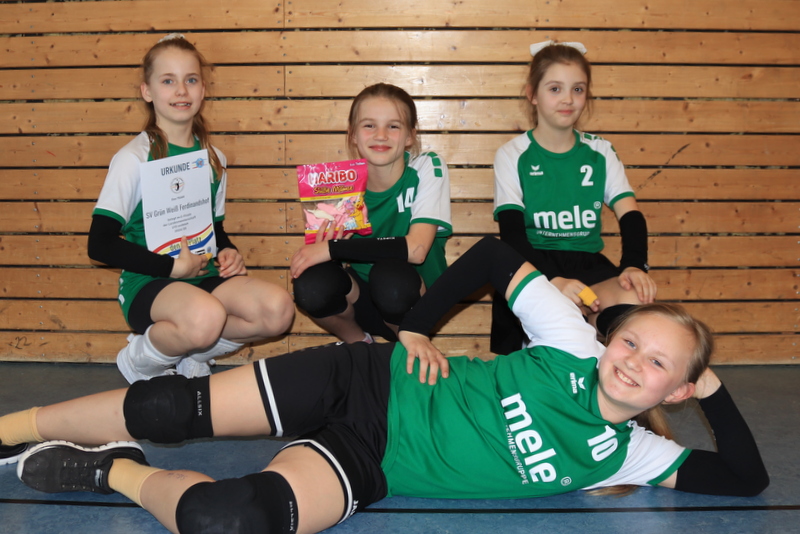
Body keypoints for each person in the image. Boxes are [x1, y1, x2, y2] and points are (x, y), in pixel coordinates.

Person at [0, 237, 767, 534]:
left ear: (678, 390)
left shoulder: (630, 455)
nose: (632, 361)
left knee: (221, 518)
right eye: (631, 341)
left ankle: (109, 470)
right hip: (366, 381)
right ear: (608, 337)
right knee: (167, 406)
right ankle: (10, 428)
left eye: (659, 364)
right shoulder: (570, 341)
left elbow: (745, 478)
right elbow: (493, 256)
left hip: (364, 462)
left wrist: (715, 390)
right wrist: (418, 327)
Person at [86, 34, 294, 383]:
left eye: (191, 80)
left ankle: (196, 353)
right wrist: (170, 267)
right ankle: (140, 359)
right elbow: (99, 244)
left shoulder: (213, 159)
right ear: (147, 91)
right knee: (206, 317)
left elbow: (213, 227)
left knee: (278, 310)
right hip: (149, 282)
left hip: (202, 275)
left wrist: (227, 250)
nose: (181, 90)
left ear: (203, 90)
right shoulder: (133, 158)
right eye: (168, 81)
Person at [492, 40, 656, 353]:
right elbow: (512, 236)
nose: (568, 99)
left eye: (577, 89)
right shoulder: (512, 154)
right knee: (560, 323)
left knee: (636, 298)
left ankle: (608, 354)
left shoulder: (600, 151)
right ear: (532, 94)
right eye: (555, 89)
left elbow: (631, 215)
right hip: (533, 265)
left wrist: (634, 266)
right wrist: (552, 279)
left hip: (589, 265)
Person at [290, 83, 452, 344]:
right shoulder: (339, 184)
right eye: (369, 125)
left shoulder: (427, 166)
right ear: (353, 134)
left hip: (413, 301)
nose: (381, 135)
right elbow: (331, 262)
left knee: (390, 278)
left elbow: (417, 249)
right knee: (311, 285)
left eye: (393, 126)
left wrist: (332, 249)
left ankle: (407, 349)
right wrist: (328, 248)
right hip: (361, 301)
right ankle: (360, 345)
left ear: (410, 136)